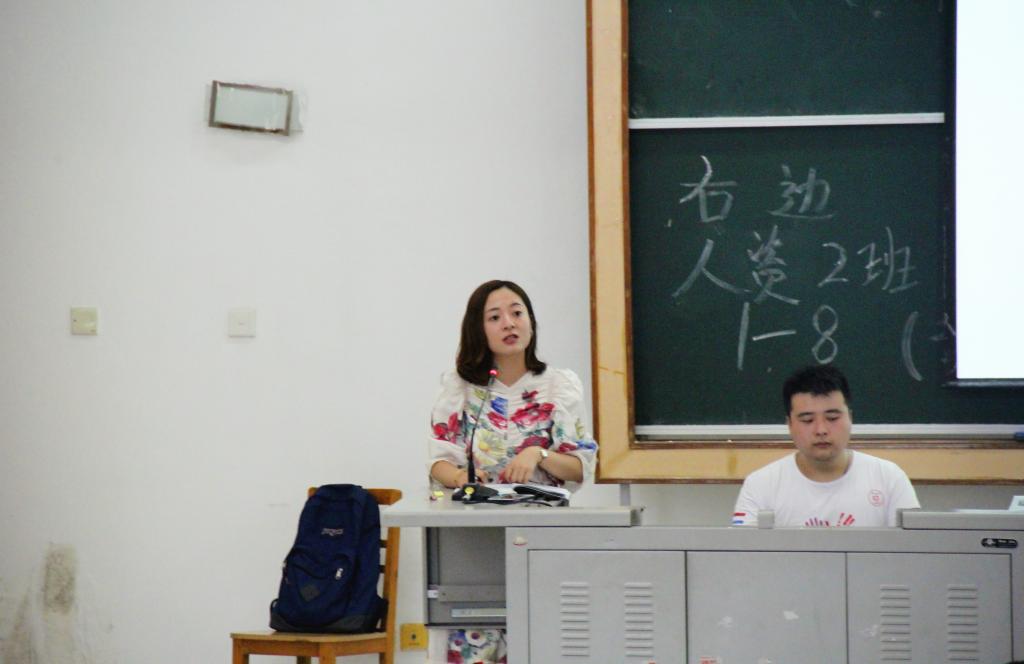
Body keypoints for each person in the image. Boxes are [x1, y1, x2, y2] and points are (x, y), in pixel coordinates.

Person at [429, 279, 597, 491]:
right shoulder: (459, 386)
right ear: (478, 330)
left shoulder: (560, 385)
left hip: (541, 509)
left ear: (531, 323)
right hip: (475, 508)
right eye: (495, 317)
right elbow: (438, 462)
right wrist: (459, 477)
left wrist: (538, 454)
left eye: (517, 313)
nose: (509, 324)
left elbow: (580, 467)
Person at [732, 365, 919, 528]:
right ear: (789, 424)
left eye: (832, 418)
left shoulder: (889, 479)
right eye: (807, 420)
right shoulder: (760, 485)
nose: (821, 430)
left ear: (850, 418)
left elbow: (914, 549)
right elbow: (742, 552)